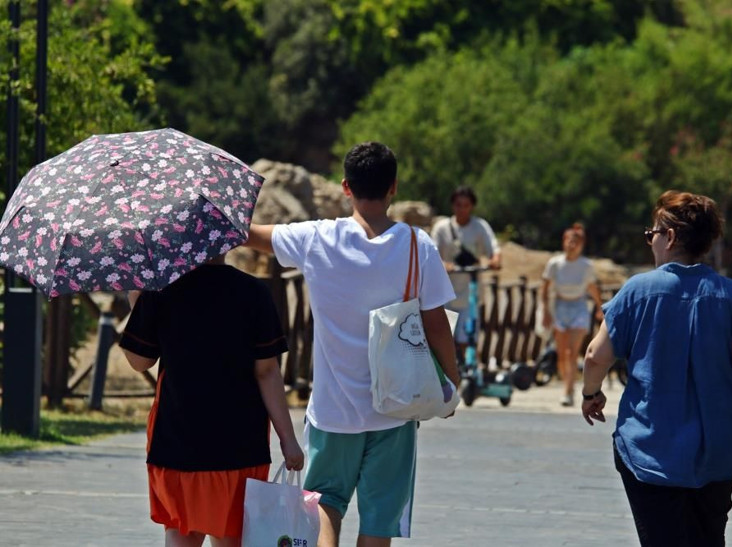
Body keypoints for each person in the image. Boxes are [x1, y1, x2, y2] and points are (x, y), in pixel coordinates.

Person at [244, 142, 458, 547]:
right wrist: (450, 379)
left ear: (346, 186)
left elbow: (253, 237)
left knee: (325, 504)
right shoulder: (418, 246)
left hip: (332, 412)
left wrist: (209, 219)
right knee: (379, 520)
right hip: (396, 408)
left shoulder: (317, 238)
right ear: (393, 187)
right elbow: (436, 326)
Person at [581, 191, 732, 547]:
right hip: (719, 448)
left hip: (650, 447)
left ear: (669, 237)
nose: (650, 243)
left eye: (652, 235)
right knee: (708, 537)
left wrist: (591, 393)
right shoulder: (730, 295)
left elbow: (596, 355)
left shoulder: (637, 291)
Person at [119, 254, 304, 547]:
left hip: (176, 438)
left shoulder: (159, 290)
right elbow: (267, 372)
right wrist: (288, 439)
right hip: (240, 442)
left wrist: (136, 304)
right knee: (231, 533)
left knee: (181, 531)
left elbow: (140, 361)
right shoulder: (253, 291)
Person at [430, 185, 501, 359]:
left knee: (467, 338)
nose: (462, 209)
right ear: (453, 206)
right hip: (445, 293)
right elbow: (431, 253)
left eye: (466, 205)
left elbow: (494, 248)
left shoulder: (479, 226)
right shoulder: (442, 228)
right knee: (443, 340)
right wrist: (443, 265)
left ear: (472, 206)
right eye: (458, 205)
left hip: (470, 292)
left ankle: (469, 373)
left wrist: (495, 260)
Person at [540, 223, 603, 407]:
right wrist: (545, 311)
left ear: (581, 244)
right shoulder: (555, 263)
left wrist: (600, 307)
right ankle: (566, 382)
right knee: (561, 354)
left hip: (579, 306)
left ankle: (569, 390)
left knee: (572, 352)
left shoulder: (586, 265)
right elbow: (544, 287)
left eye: (575, 241)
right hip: (560, 305)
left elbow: (591, 287)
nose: (571, 244)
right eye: (568, 240)